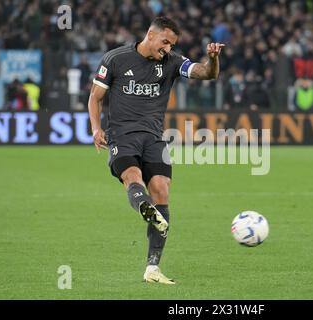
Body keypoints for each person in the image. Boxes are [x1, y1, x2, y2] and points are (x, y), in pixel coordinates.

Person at [88, 17, 224, 284]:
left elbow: (208, 73)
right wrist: (95, 129)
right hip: (121, 134)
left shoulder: (172, 62)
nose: (167, 49)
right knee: (132, 175)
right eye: (165, 42)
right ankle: (144, 205)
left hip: (153, 137)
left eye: (172, 45)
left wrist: (213, 58)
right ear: (150, 35)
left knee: (162, 189)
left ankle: (152, 268)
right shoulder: (115, 59)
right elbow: (95, 97)